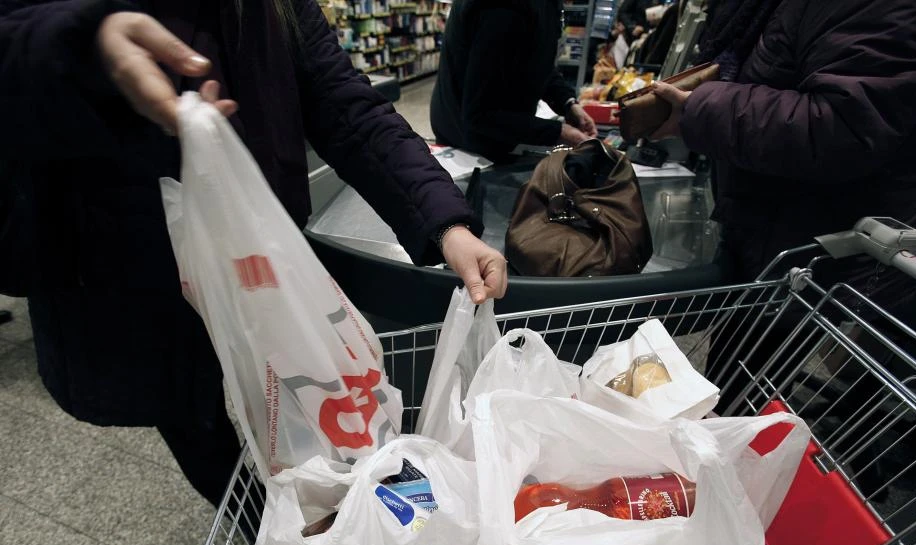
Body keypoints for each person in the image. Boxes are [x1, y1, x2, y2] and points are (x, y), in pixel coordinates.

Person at [0, 0, 508, 509]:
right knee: (206, 436)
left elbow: (345, 103)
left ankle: (317, 537)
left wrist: (446, 222)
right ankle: (271, 539)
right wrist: (81, 48)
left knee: (309, 420)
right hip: (124, 280)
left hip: (265, 271)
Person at [649, 0, 916, 419]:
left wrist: (699, 106)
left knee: (751, 403)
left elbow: (843, 127)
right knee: (733, 382)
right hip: (777, 225)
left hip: (835, 243)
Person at [430, 0, 599, 162]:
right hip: (468, 145)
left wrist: (568, 103)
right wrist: (559, 132)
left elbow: (536, 62)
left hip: (497, 134)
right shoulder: (501, 10)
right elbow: (481, 114)